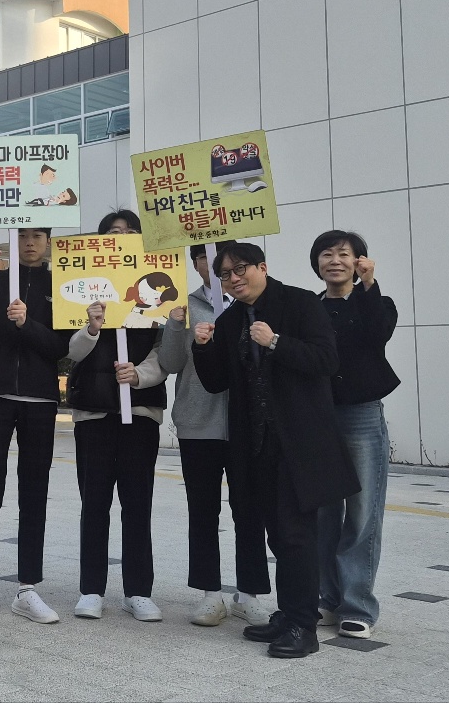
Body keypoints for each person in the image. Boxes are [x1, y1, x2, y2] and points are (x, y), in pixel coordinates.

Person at [192, 243, 357, 659]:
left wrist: (276, 341)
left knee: (297, 533)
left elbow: (327, 360)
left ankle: (304, 626)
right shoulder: (230, 319)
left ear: (262, 266)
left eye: (240, 269)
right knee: (279, 535)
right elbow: (216, 383)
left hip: (299, 443)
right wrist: (204, 345)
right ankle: (288, 613)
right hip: (254, 445)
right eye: (225, 274)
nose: (233, 279)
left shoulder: (300, 303)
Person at [0, 227, 70, 626]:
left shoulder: (60, 285)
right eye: (23, 234)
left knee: (34, 494)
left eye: (37, 235)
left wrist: (28, 324)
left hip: (40, 401)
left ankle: (27, 589)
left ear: (48, 240)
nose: (29, 242)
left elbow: (61, 347)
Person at [159, 243, 273, 627]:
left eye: (227, 262)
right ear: (196, 264)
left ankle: (250, 593)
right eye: (206, 257)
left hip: (247, 424)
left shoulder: (255, 304)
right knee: (204, 510)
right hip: (199, 422)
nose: (218, 266)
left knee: (249, 510)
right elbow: (170, 363)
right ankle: (210, 594)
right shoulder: (184, 305)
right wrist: (177, 326)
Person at [66, 210, 170, 622]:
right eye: (113, 233)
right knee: (93, 503)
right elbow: (69, 352)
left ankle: (138, 591)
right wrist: (91, 328)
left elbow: (167, 353)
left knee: (137, 503)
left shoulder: (159, 289)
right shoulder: (82, 290)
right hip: (93, 412)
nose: (122, 238)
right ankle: (91, 588)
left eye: (129, 233)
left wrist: (140, 375)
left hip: (141, 412)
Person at [310, 230, 400, 641]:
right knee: (324, 512)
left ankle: (358, 606)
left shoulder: (376, 302)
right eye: (326, 254)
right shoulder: (307, 308)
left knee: (362, 512)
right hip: (319, 417)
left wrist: (368, 284)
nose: (334, 261)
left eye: (343, 254)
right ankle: (327, 598)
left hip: (362, 414)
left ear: (360, 261)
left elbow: (377, 333)